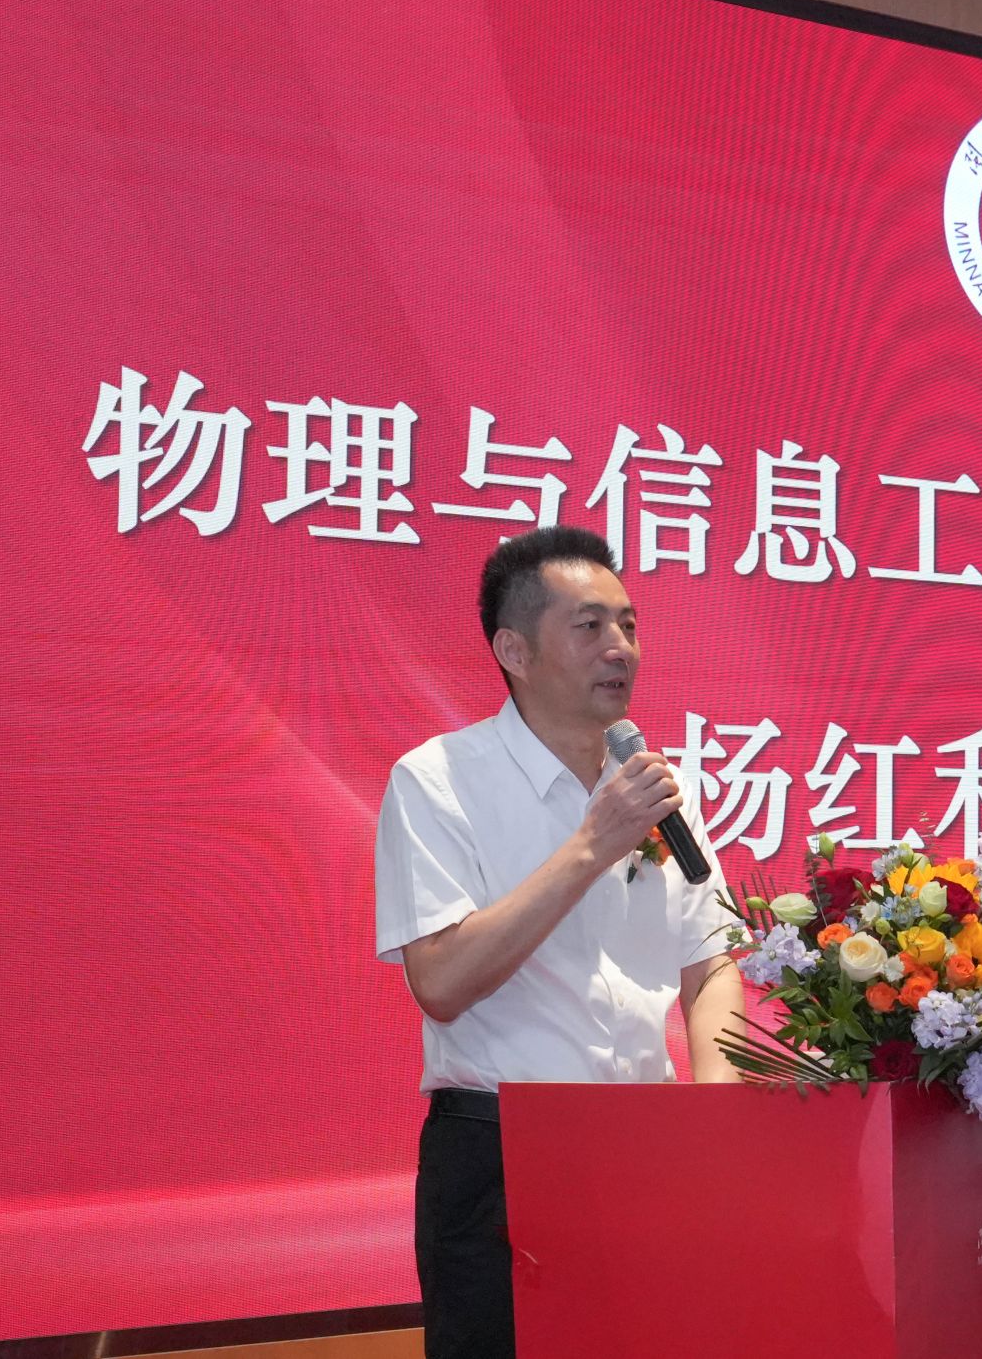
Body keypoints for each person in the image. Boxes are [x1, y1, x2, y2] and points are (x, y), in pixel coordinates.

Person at [373, 526, 743, 1359]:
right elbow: (442, 981)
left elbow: (711, 958)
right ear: (515, 649)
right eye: (590, 626)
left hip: (648, 1149)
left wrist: (716, 1107)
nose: (621, 648)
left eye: (629, 624)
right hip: (502, 1157)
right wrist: (591, 845)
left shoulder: (654, 787)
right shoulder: (436, 780)